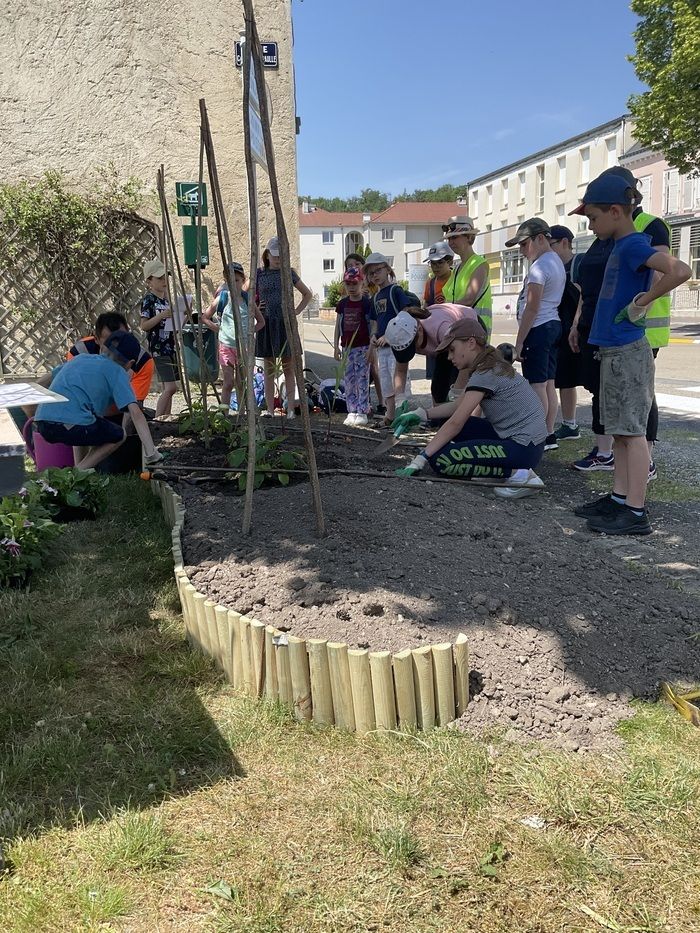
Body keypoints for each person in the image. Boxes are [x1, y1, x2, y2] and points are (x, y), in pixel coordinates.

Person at [569, 173, 691, 535]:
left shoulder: (634, 244)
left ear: (617, 211)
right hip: (613, 349)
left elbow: (679, 270)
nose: (591, 225)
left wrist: (644, 300)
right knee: (620, 430)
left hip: (627, 349)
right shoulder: (620, 246)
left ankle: (636, 511)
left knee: (633, 432)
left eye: (593, 217)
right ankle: (620, 498)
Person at [392, 318, 547, 499]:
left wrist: (420, 459)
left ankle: (518, 475)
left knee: (440, 460)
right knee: (444, 424)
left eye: (452, 350)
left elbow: (457, 422)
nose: (449, 357)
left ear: (471, 343)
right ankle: (500, 471)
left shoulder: (485, 373)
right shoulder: (490, 364)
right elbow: (460, 405)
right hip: (526, 442)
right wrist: (422, 414)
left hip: (523, 449)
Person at [34, 331, 163, 470]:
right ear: (130, 364)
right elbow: (135, 413)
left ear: (102, 348)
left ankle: (80, 473)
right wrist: (151, 454)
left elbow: (48, 378)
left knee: (87, 422)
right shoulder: (118, 372)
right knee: (119, 435)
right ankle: (76, 473)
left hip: (42, 422)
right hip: (72, 424)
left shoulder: (79, 358)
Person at [506, 219, 565, 450]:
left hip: (539, 328)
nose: (521, 251)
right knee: (548, 383)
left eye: (524, 244)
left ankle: (538, 436)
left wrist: (519, 343)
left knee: (537, 385)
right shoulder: (555, 262)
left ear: (541, 238)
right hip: (552, 325)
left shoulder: (540, 267)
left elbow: (532, 306)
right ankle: (548, 433)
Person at [255, 236, 312, 419]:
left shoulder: (289, 273)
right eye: (275, 255)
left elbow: (307, 294)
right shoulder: (259, 273)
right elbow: (246, 293)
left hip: (285, 323)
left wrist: (295, 311)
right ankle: (270, 410)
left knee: (288, 367)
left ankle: (289, 410)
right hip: (267, 323)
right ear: (267, 255)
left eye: (281, 256)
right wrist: (257, 309)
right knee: (269, 369)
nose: (278, 259)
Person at [385, 304, 481, 404]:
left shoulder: (441, 328)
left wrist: (457, 393)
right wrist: (399, 399)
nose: (416, 350)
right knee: (438, 389)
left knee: (460, 388)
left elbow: (466, 362)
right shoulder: (403, 336)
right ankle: (439, 417)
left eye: (413, 346)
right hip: (443, 345)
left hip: (469, 331)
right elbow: (401, 371)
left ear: (419, 330)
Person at [202, 262, 264, 408]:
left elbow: (261, 322)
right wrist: (217, 329)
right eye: (229, 280)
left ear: (243, 281)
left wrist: (249, 333)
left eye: (236, 280)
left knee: (241, 381)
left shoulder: (248, 301)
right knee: (228, 382)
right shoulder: (222, 298)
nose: (233, 283)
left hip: (244, 348)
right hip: (226, 346)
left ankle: (242, 412)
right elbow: (205, 317)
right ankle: (224, 414)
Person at [365, 252, 414, 422]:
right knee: (386, 382)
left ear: (387, 269)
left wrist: (389, 335)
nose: (375, 275)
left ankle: (404, 415)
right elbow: (375, 321)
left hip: (397, 346)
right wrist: (373, 335)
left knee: (399, 382)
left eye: (378, 270)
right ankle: (390, 415)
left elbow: (405, 312)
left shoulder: (395, 290)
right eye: (371, 273)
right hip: (382, 348)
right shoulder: (376, 297)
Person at [67, 311, 155, 405]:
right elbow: (76, 394)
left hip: (122, 411)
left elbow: (134, 405)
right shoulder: (79, 352)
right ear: (96, 339)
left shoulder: (143, 361)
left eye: (122, 338)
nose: (116, 346)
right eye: (109, 341)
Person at [548, 226, 583, 442]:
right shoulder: (553, 266)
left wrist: (576, 325)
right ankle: (569, 423)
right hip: (559, 328)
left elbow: (584, 295)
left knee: (572, 377)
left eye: (551, 245)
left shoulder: (578, 264)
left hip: (574, 328)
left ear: (564, 242)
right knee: (563, 379)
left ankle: (570, 423)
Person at [333, 267, 375, 426]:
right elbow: (338, 325)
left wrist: (372, 347)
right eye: (348, 283)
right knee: (349, 379)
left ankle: (363, 410)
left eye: (354, 283)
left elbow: (371, 325)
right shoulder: (342, 304)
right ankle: (351, 410)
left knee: (362, 379)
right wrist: (336, 346)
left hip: (363, 347)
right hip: (347, 347)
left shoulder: (366, 303)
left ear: (362, 283)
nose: (351, 287)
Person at [440, 216, 493, 337]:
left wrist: (441, 312)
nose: (451, 242)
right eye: (449, 239)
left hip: (475, 333)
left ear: (469, 237)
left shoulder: (479, 264)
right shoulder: (457, 268)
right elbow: (448, 298)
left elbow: (469, 299)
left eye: (454, 237)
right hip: (459, 330)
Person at [139, 259, 179, 418]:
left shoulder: (166, 300)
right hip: (159, 349)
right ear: (149, 280)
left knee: (168, 389)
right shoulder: (149, 300)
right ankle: (157, 420)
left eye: (165, 278)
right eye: (159, 278)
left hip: (172, 346)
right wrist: (162, 315)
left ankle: (165, 419)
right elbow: (144, 325)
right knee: (171, 388)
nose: (164, 281)